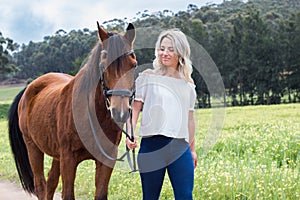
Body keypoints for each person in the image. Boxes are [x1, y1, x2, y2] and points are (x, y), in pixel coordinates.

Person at [126, 29, 198, 200]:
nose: (164, 53)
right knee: (150, 197)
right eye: (162, 48)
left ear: (180, 52)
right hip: (152, 146)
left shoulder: (188, 83)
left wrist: (192, 150)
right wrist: (130, 133)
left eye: (170, 49)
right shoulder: (147, 77)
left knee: (185, 196)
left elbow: (189, 119)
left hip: (180, 147)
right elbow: (135, 109)